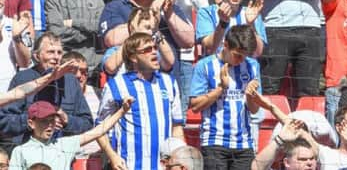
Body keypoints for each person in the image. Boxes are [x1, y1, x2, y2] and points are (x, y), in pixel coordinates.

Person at [97, 32, 184, 170]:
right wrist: (113, 157)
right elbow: (100, 129)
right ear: (133, 57)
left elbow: (177, 127)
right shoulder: (116, 85)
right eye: (147, 50)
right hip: (129, 166)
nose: (154, 52)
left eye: (155, 47)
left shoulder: (169, 83)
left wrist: (180, 160)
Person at [0, 32, 93, 148]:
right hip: (27, 150)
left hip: (62, 152)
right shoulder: (22, 78)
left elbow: (87, 123)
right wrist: (32, 122)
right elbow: (3, 121)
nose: (56, 57)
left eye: (59, 52)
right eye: (50, 52)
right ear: (36, 56)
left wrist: (67, 120)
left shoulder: (71, 81)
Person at [190, 25, 263, 169]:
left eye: (245, 56)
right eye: (237, 55)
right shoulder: (205, 66)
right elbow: (195, 106)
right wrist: (221, 88)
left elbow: (254, 110)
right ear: (226, 45)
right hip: (214, 142)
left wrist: (250, 96)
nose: (241, 60)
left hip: (244, 143)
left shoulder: (252, 66)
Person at [8, 97, 133, 170]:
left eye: (52, 120)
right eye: (44, 121)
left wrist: (122, 111)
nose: (50, 125)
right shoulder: (20, 151)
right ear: (31, 123)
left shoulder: (64, 144)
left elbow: (98, 131)